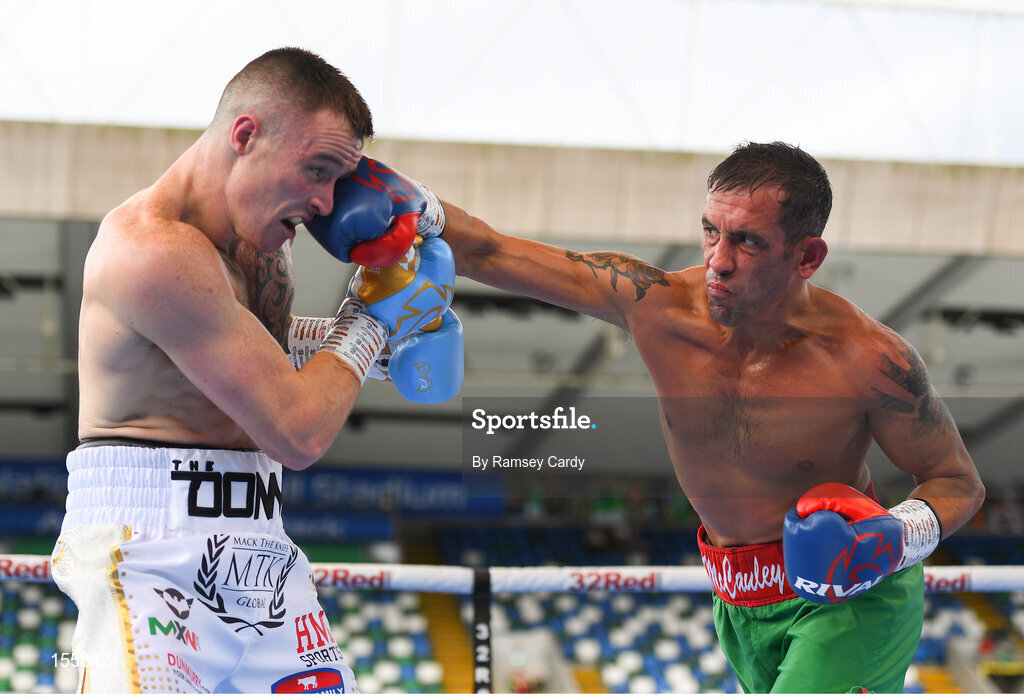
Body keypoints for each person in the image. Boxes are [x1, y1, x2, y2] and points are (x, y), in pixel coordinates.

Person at [332, 142, 986, 693]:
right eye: (711, 230)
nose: (718, 260)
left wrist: (893, 538)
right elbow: (497, 252)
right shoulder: (659, 305)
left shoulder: (869, 359)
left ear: (807, 257)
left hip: (849, 602)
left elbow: (958, 482)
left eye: (748, 241)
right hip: (738, 601)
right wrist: (419, 207)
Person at [49, 47, 454, 694]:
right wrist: (372, 314)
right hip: (149, 553)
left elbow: (251, 349)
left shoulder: (259, 248)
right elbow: (296, 431)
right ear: (246, 136)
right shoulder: (149, 250)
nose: (325, 203)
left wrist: (392, 342)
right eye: (317, 170)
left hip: (261, 547)